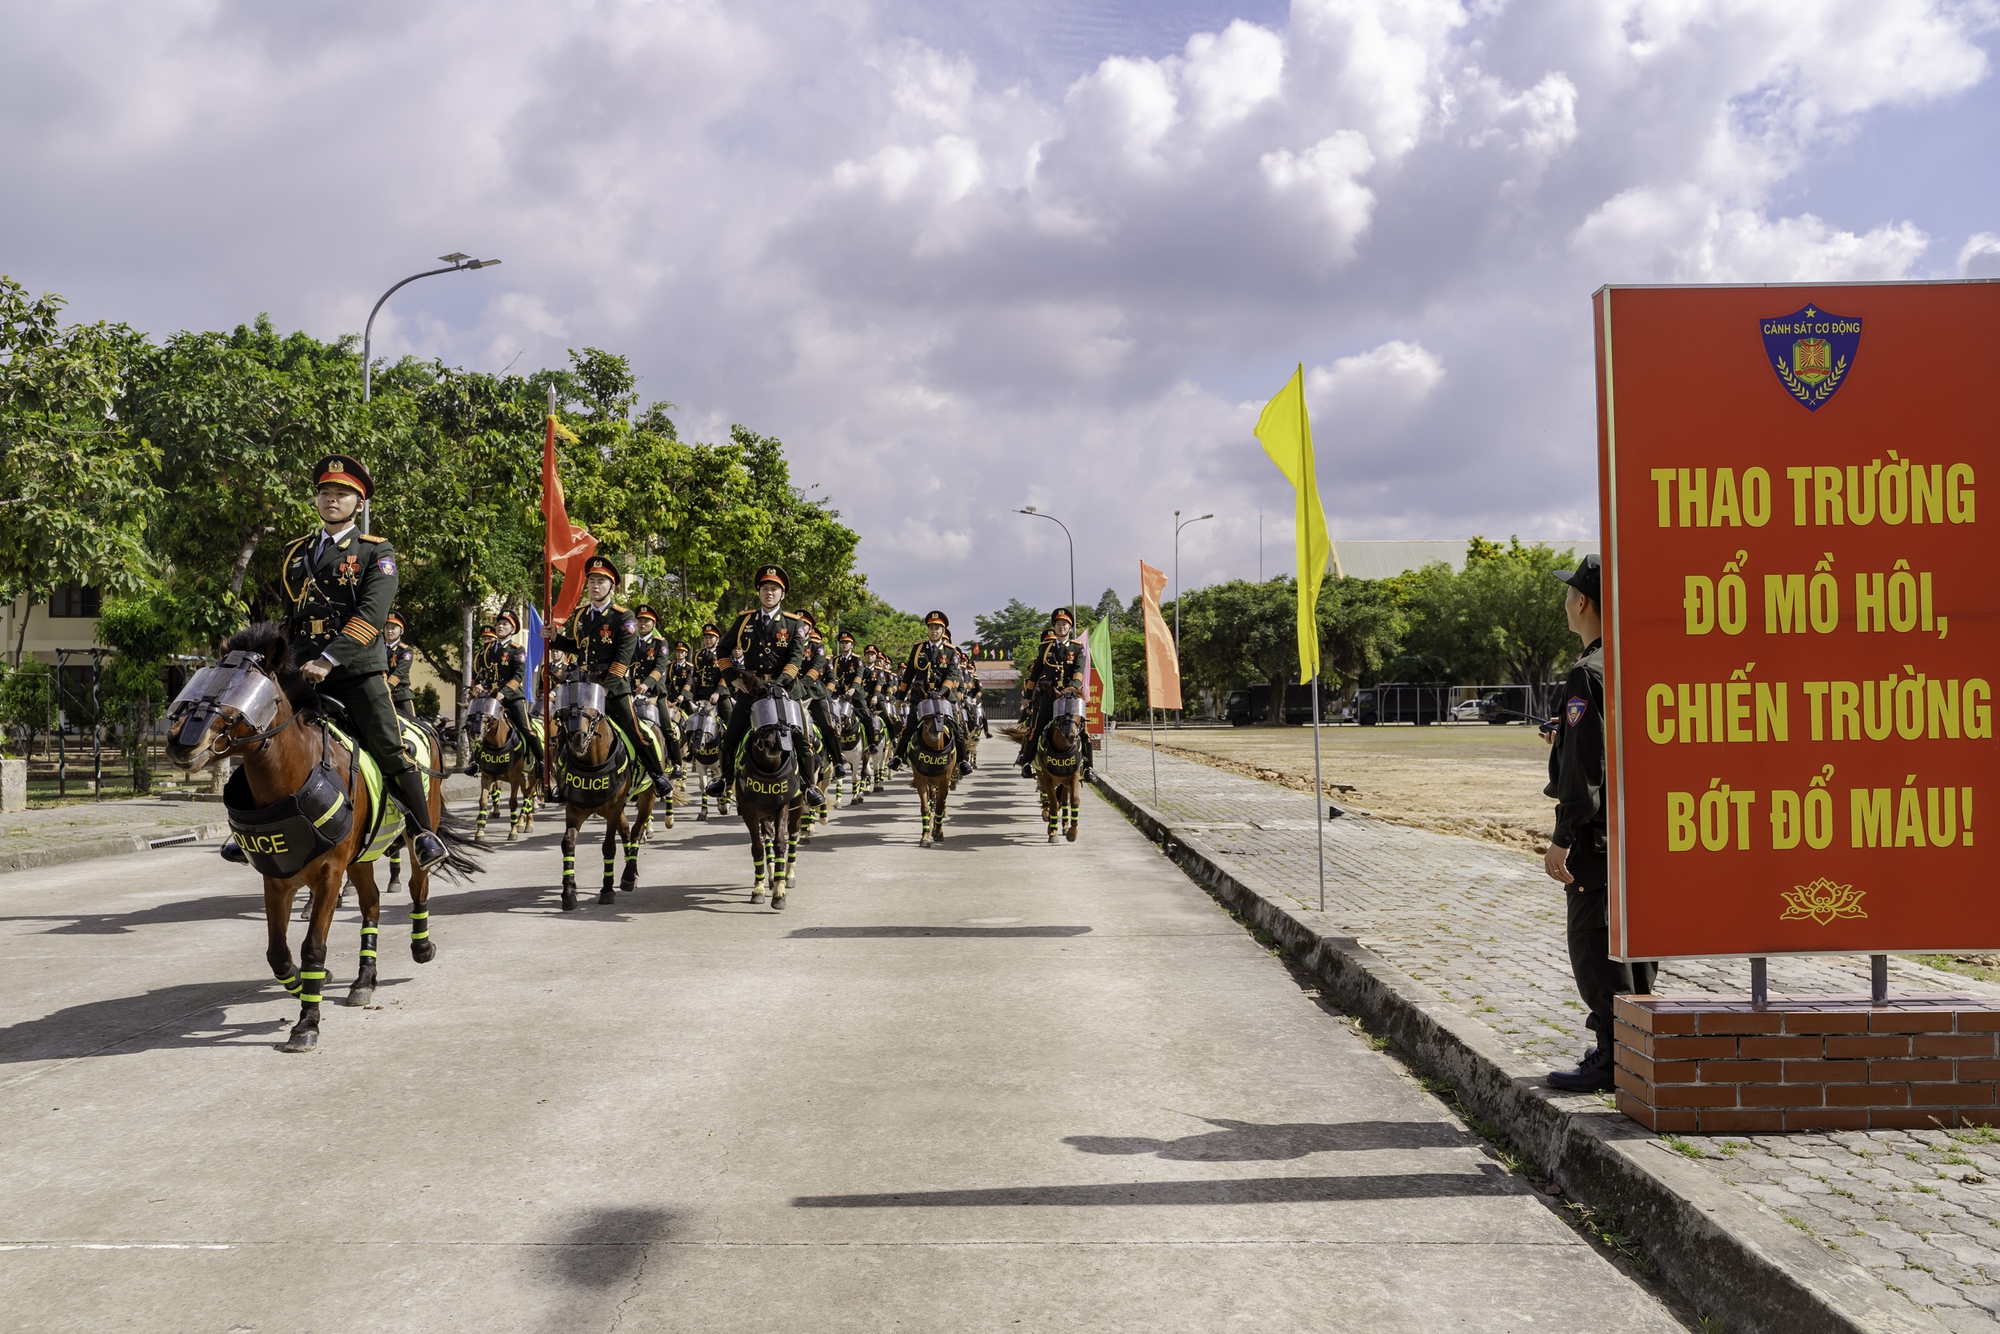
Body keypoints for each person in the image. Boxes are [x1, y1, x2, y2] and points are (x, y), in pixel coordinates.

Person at [224, 453, 449, 869]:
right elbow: (289, 619)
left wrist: (329, 660)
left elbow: (372, 614)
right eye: (325, 493)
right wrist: (273, 660)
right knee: (256, 736)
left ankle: (424, 833)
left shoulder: (375, 551)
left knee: (389, 747)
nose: (331, 500)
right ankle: (244, 828)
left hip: (355, 670)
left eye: (342, 495)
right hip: (299, 669)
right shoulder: (296, 553)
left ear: (358, 505)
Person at [1543, 554, 1655, 1093]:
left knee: (1595, 947)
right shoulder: (1635, 661)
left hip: (1598, 837)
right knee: (1633, 948)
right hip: (1639, 833)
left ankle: (1612, 1060)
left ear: (1582, 602)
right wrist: (1563, 737)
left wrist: (1563, 837)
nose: (1566, 602)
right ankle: (1637, 1051)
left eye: (1569, 593)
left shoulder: (1587, 673)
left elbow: (1587, 769)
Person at [547, 556, 674, 798]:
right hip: (584, 685)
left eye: (601, 582)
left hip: (612, 686)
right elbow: (578, 647)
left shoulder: (623, 617)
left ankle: (657, 774)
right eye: (592, 581)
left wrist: (604, 689)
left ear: (612, 587)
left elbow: (623, 659)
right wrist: (555, 638)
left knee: (635, 729)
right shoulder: (582, 614)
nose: (595, 586)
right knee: (565, 727)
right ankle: (563, 779)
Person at [705, 564, 824, 806]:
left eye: (774, 589)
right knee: (731, 734)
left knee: (802, 739)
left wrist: (780, 683)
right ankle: (725, 780)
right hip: (753, 690)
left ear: (783, 594)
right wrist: (732, 678)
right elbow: (723, 649)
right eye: (765, 588)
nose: (769, 593)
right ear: (759, 592)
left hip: (785, 690)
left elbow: (796, 659)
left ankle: (809, 786)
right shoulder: (745, 620)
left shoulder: (794, 624)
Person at [465, 610, 548, 787]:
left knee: (527, 729)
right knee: (476, 724)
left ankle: (542, 762)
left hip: (511, 697)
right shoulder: (488, 649)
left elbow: (518, 676)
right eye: (499, 623)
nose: (500, 626)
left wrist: (503, 693)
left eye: (505, 624)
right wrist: (481, 685)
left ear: (512, 629)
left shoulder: (517, 650)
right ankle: (475, 761)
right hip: (491, 697)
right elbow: (486, 675)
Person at [890, 610, 969, 776]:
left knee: (955, 728)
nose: (934, 631)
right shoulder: (918, 649)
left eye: (937, 628)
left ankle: (962, 761)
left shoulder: (950, 651)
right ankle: (898, 756)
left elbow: (953, 675)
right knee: (909, 726)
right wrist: (899, 698)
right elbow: (908, 675)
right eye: (931, 628)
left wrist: (942, 692)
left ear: (943, 630)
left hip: (944, 697)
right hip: (921, 696)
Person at [1016, 608, 1092, 777]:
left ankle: (1088, 768)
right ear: (1054, 627)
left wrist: (1071, 689)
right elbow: (1034, 675)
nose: (1061, 627)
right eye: (1058, 624)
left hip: (1071, 697)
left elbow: (1079, 672)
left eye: (1064, 624)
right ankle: (1026, 762)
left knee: (1083, 731)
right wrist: (1027, 697)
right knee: (1035, 729)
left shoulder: (1077, 648)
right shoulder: (1046, 647)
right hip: (1049, 697)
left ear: (1070, 627)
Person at [795, 613, 848, 777]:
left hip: (813, 693)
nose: (800, 627)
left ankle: (837, 762)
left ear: (810, 628)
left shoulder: (817, 646)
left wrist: (801, 685)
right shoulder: (787, 644)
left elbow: (817, 668)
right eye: (798, 623)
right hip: (791, 692)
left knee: (827, 727)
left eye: (804, 624)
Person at [384, 613, 417, 719]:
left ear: (401, 631)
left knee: (412, 724)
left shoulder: (405, 650)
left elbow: (399, 673)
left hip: (400, 696)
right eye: (387, 627)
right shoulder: (379, 649)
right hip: (382, 697)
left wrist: (385, 689)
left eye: (393, 628)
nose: (389, 631)